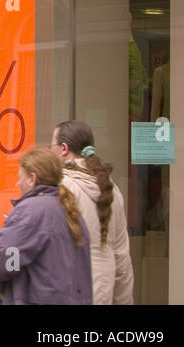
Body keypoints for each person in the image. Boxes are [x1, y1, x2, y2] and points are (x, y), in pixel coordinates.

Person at [0, 148, 92, 305]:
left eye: (20, 176)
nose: (17, 183)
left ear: (32, 179)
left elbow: (9, 258)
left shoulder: (30, 211)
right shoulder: (72, 212)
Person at [52, 119, 135, 305]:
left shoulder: (62, 188)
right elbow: (122, 257)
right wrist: (124, 301)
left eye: (52, 146)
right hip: (103, 289)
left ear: (63, 149)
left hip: (69, 289)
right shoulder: (111, 189)